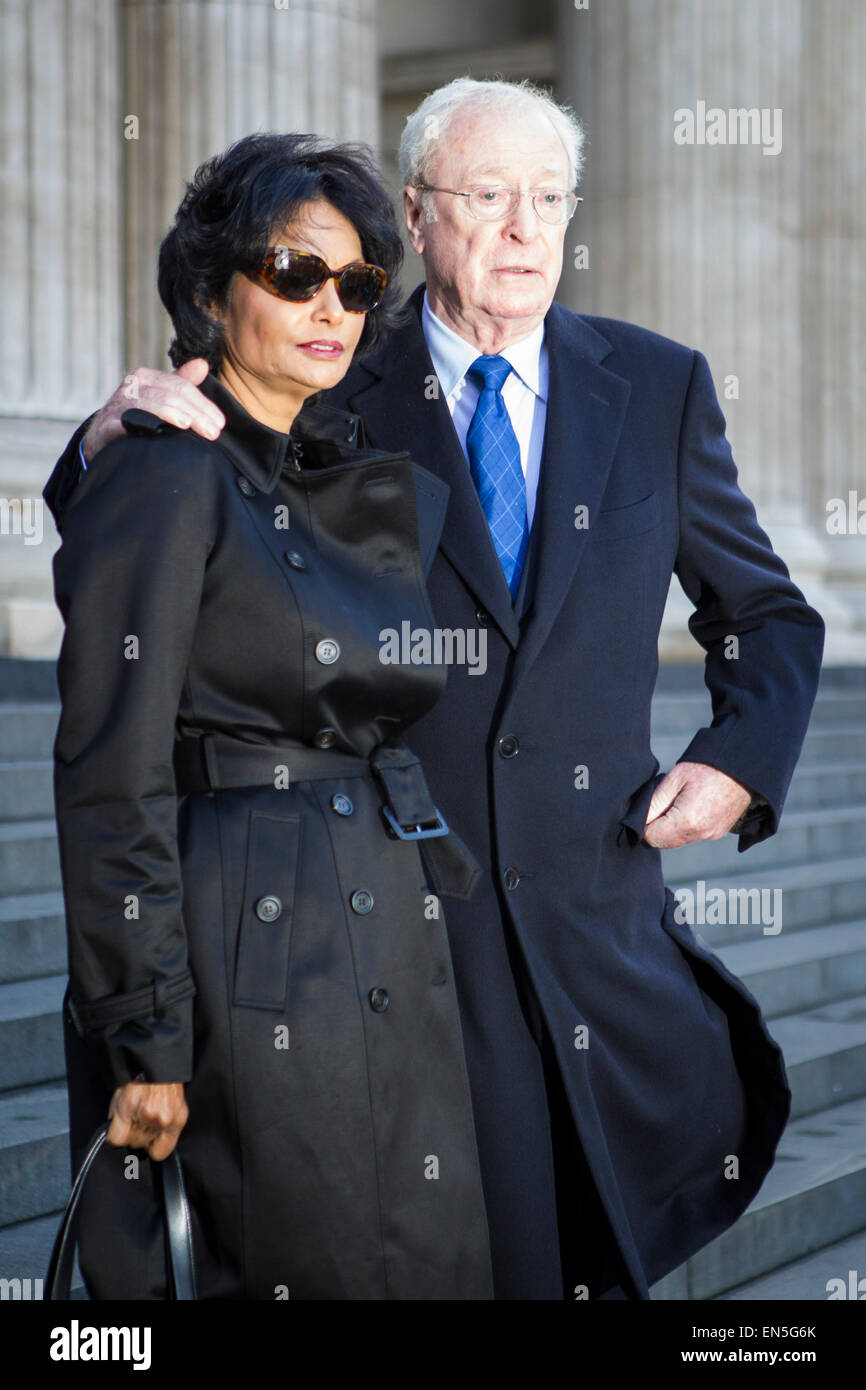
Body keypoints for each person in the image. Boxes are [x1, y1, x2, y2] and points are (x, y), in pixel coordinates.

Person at [45, 78, 826, 1302]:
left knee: (599, 1253)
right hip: (398, 941)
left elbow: (767, 615)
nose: (524, 229)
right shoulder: (336, 360)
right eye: (486, 196)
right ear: (418, 214)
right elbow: (180, 509)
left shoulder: (659, 384)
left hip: (595, 923)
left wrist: (737, 757)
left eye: (548, 198)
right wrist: (94, 438)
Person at [47, 130, 496, 1300]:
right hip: (244, 941)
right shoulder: (160, 471)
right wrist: (142, 1032)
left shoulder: (333, 469)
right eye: (293, 272)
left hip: (384, 928)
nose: (331, 306)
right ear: (209, 293)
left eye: (355, 285)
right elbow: (112, 771)